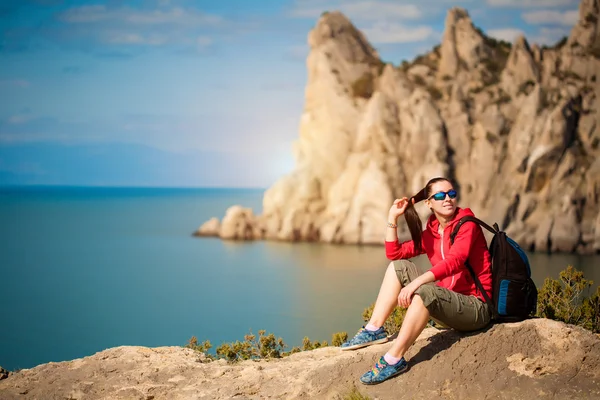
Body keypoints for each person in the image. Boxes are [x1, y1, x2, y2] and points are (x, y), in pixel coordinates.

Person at [340, 177, 493, 385]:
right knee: (398, 267)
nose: (447, 199)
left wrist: (416, 283)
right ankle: (374, 330)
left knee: (425, 292)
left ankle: (394, 359)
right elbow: (394, 254)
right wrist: (392, 217)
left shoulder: (468, 225)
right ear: (429, 203)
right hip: (449, 304)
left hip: (476, 308)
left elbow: (455, 261)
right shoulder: (430, 234)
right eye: (439, 195)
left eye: (451, 194)